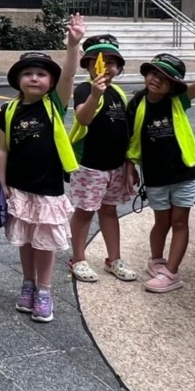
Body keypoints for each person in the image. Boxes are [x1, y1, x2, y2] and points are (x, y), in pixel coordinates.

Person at [0, 14, 85, 324]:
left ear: (50, 81)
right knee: (26, 241)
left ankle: (44, 290)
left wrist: (72, 44)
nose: (34, 78)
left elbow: (70, 77)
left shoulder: (54, 104)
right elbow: (2, 148)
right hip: (19, 186)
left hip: (48, 188)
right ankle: (28, 283)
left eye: (41, 74)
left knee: (44, 242)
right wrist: (2, 181)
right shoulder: (8, 109)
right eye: (28, 73)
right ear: (18, 79)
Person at [126, 32, 195, 293]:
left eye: (165, 78)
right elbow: (130, 140)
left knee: (179, 222)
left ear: (173, 85)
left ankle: (172, 273)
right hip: (154, 176)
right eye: (154, 74)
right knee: (161, 222)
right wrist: (130, 166)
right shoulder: (136, 104)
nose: (157, 80)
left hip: (184, 173)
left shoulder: (179, 100)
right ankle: (157, 261)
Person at [67, 35, 137, 283]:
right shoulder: (85, 89)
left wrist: (130, 164)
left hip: (115, 166)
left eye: (111, 62)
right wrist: (95, 94)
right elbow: (83, 118)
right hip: (90, 165)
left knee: (109, 210)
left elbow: (126, 131)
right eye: (100, 61)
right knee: (85, 211)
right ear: (88, 65)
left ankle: (113, 258)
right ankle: (78, 258)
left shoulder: (118, 92)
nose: (106, 67)